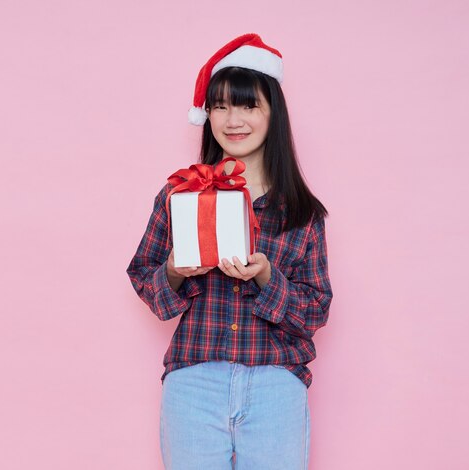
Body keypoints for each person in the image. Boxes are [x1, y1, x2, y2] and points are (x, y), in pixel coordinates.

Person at [126, 33, 333, 470]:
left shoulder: (301, 211)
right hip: (194, 380)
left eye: (248, 105)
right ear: (207, 114)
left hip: (277, 384)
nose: (232, 119)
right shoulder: (181, 192)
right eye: (220, 105)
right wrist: (176, 270)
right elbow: (145, 279)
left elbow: (315, 311)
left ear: (273, 113)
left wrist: (266, 278)